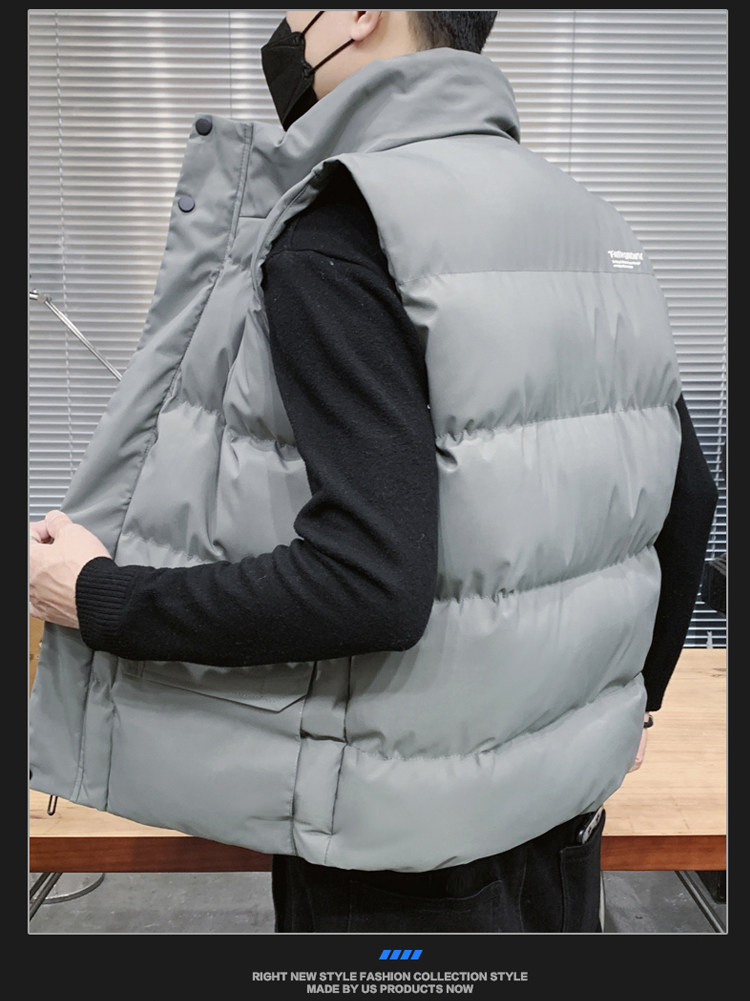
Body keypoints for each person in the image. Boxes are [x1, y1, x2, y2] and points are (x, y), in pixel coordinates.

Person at [29, 10, 717, 933]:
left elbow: (369, 584)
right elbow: (687, 499)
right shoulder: (592, 225)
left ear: (358, 14)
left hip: (402, 862)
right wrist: (635, 706)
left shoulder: (345, 226)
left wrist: (98, 596)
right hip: (564, 816)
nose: (283, 29)